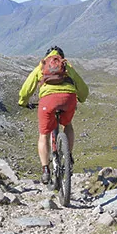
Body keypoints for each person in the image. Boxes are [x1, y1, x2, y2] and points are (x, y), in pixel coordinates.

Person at [18, 46, 89, 184]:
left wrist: (23, 102)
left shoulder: (42, 65)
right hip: (68, 99)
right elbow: (83, 87)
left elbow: (28, 87)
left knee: (44, 134)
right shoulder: (66, 65)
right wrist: (81, 98)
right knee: (67, 125)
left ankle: (45, 170)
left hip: (48, 101)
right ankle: (68, 157)